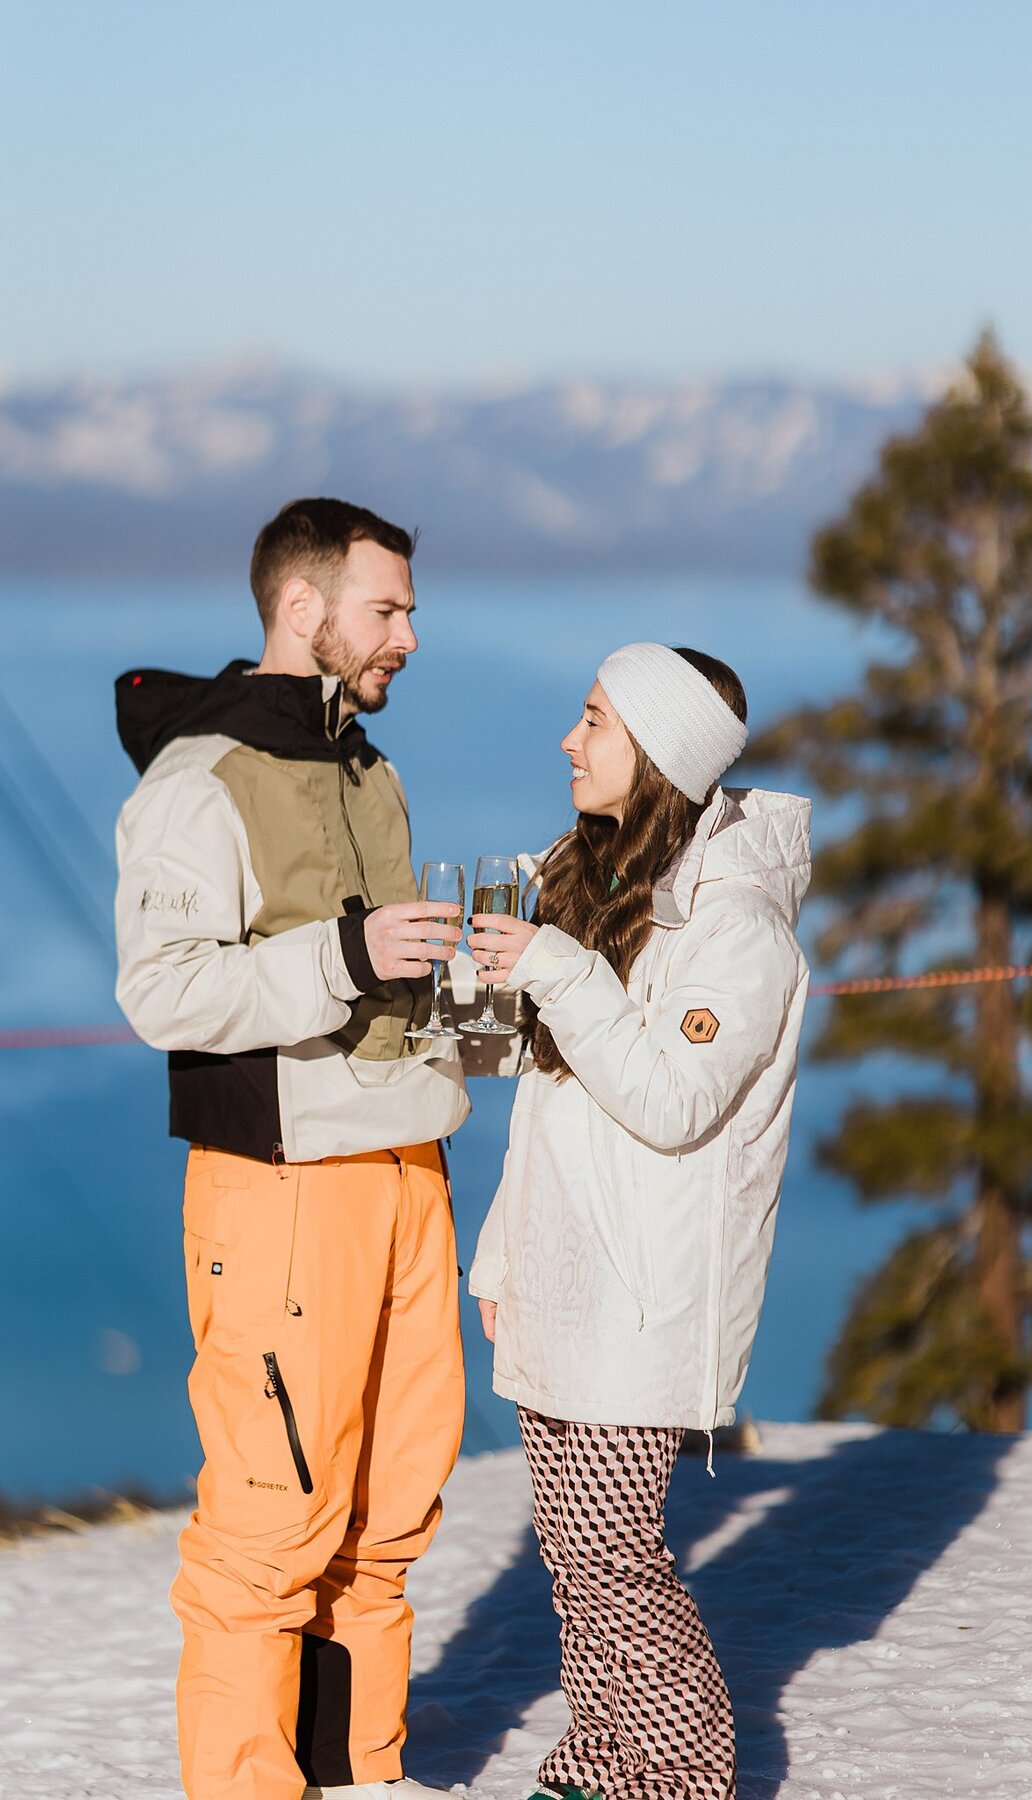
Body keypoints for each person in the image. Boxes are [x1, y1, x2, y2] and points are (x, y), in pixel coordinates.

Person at [114, 498, 469, 1800]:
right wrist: (347, 957)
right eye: (389, 609)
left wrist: (467, 1011)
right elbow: (164, 991)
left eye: (413, 610)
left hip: (403, 1173)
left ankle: (359, 1780)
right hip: (281, 1193)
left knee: (386, 1524)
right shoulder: (196, 781)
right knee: (270, 1530)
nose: (412, 637)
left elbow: (370, 990)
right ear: (303, 610)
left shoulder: (369, 769)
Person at [466, 642, 812, 1800]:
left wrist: (558, 973)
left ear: (661, 754)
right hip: (566, 1280)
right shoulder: (599, 880)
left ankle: (676, 1777)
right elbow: (554, 1106)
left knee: (618, 1561)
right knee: (574, 1566)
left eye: (597, 721)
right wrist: (504, 1253)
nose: (570, 739)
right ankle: (599, 1765)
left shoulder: (739, 925)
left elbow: (672, 1103)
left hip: (644, 1298)